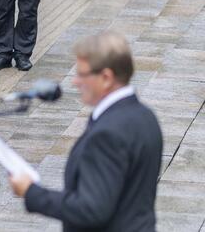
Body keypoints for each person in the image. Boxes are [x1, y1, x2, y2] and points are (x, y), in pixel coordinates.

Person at [9, 31, 162, 232]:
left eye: (82, 74)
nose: (75, 82)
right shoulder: (146, 117)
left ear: (106, 77)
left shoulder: (107, 134)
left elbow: (90, 210)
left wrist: (31, 192)